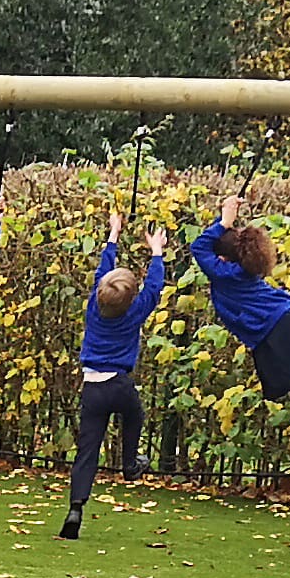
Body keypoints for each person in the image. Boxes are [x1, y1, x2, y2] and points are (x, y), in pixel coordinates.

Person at [190, 191, 290, 481]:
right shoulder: (237, 269)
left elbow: (199, 247)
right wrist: (226, 221)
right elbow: (211, 247)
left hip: (288, 327)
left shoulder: (225, 274)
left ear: (222, 258)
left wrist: (225, 220)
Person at [62, 211, 169, 539]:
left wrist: (113, 233)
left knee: (87, 449)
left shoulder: (94, 307)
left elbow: (103, 271)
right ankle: (130, 464)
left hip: (92, 386)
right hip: (119, 384)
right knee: (134, 416)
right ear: (131, 299)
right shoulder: (135, 311)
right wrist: (156, 251)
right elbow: (154, 287)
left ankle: (76, 507)